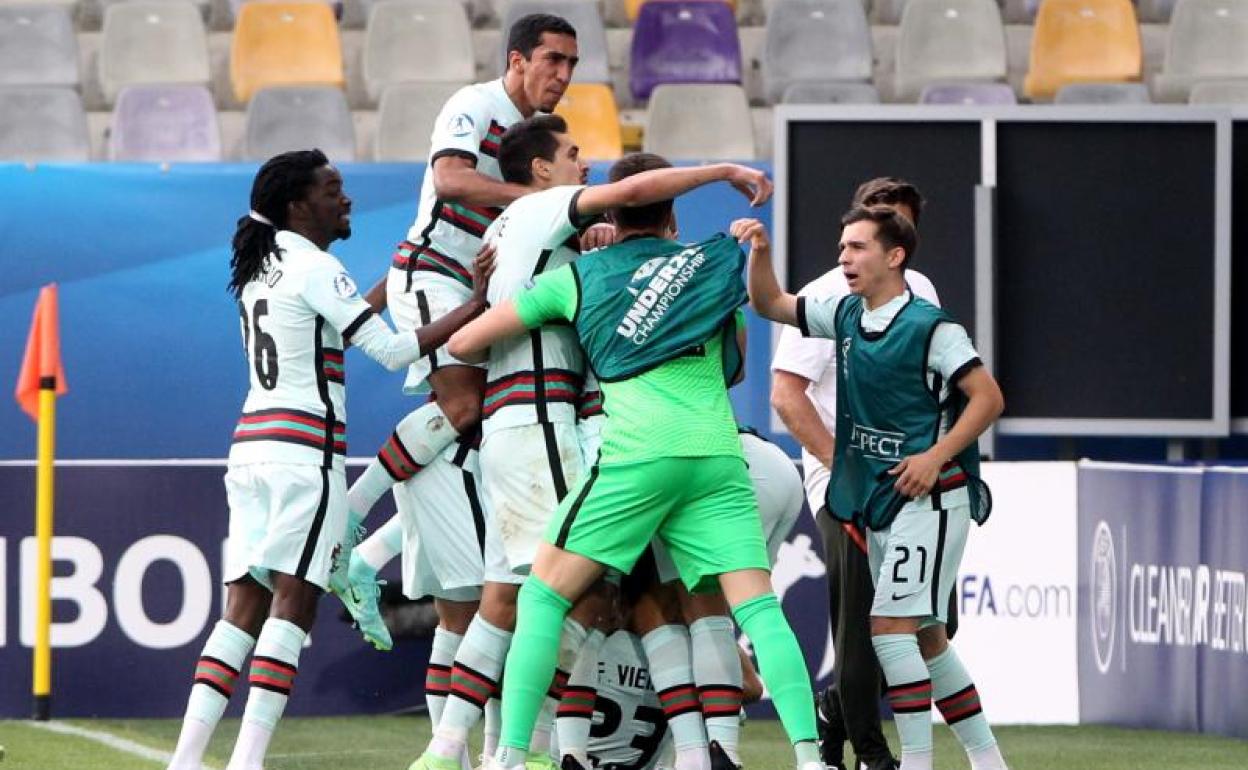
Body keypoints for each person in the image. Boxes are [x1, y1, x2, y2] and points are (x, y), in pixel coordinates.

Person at [409, 121, 774, 770]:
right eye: (572, 154)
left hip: (516, 425)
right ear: (540, 170)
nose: (584, 164)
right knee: (582, 597)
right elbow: (634, 193)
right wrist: (724, 170)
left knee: (532, 595)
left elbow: (474, 341)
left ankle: (489, 749)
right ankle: (516, 753)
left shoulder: (522, 231)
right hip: (551, 425)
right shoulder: (550, 209)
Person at [165, 150, 491, 770]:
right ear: (298, 205)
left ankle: (186, 759)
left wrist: (389, 287)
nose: (345, 199)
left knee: (240, 610)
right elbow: (392, 352)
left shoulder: (261, 267)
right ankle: (246, 762)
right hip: (302, 453)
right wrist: (473, 305)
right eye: (332, 189)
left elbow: (332, 330)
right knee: (294, 603)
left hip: (251, 447)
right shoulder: (317, 266)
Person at [329, 12, 582, 655]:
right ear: (517, 60)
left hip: (467, 285)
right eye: (553, 59)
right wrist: (533, 199)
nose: (563, 74)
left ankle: (370, 555)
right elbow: (448, 182)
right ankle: (348, 520)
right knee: (465, 407)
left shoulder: (535, 138)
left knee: (479, 421)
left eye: (572, 64)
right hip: (437, 276)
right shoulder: (475, 105)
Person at [744, 207, 1008, 770]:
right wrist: (760, 251)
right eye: (843, 246)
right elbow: (769, 304)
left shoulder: (932, 328)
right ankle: (988, 760)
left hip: (931, 498)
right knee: (929, 638)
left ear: (895, 257)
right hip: (880, 500)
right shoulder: (844, 315)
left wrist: (935, 456)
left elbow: (989, 397)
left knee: (889, 629)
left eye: (858, 247)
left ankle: (916, 761)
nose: (844, 257)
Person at [770, 178, 944, 770]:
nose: (883, 232)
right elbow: (786, 395)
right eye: (874, 220)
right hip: (847, 487)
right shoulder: (826, 296)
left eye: (900, 222)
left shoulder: (921, 290)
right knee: (866, 623)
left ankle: (834, 710)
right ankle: (872, 753)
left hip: (910, 481)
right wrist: (844, 471)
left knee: (928, 621)